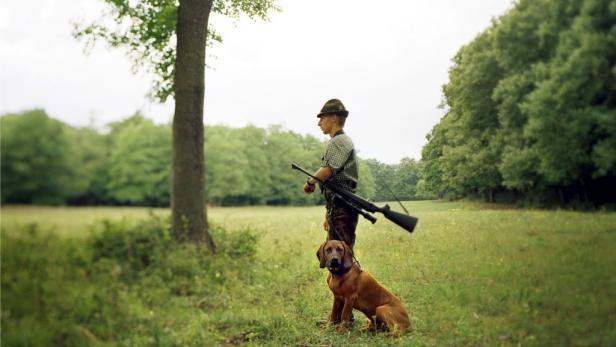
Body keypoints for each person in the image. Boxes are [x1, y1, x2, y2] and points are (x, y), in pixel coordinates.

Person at [304, 98, 359, 250]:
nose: (319, 123)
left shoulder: (339, 141)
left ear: (333, 118)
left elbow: (327, 170)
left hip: (342, 207)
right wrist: (329, 214)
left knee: (342, 257)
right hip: (339, 206)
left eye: (322, 118)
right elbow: (333, 185)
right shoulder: (341, 141)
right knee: (337, 255)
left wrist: (310, 183)